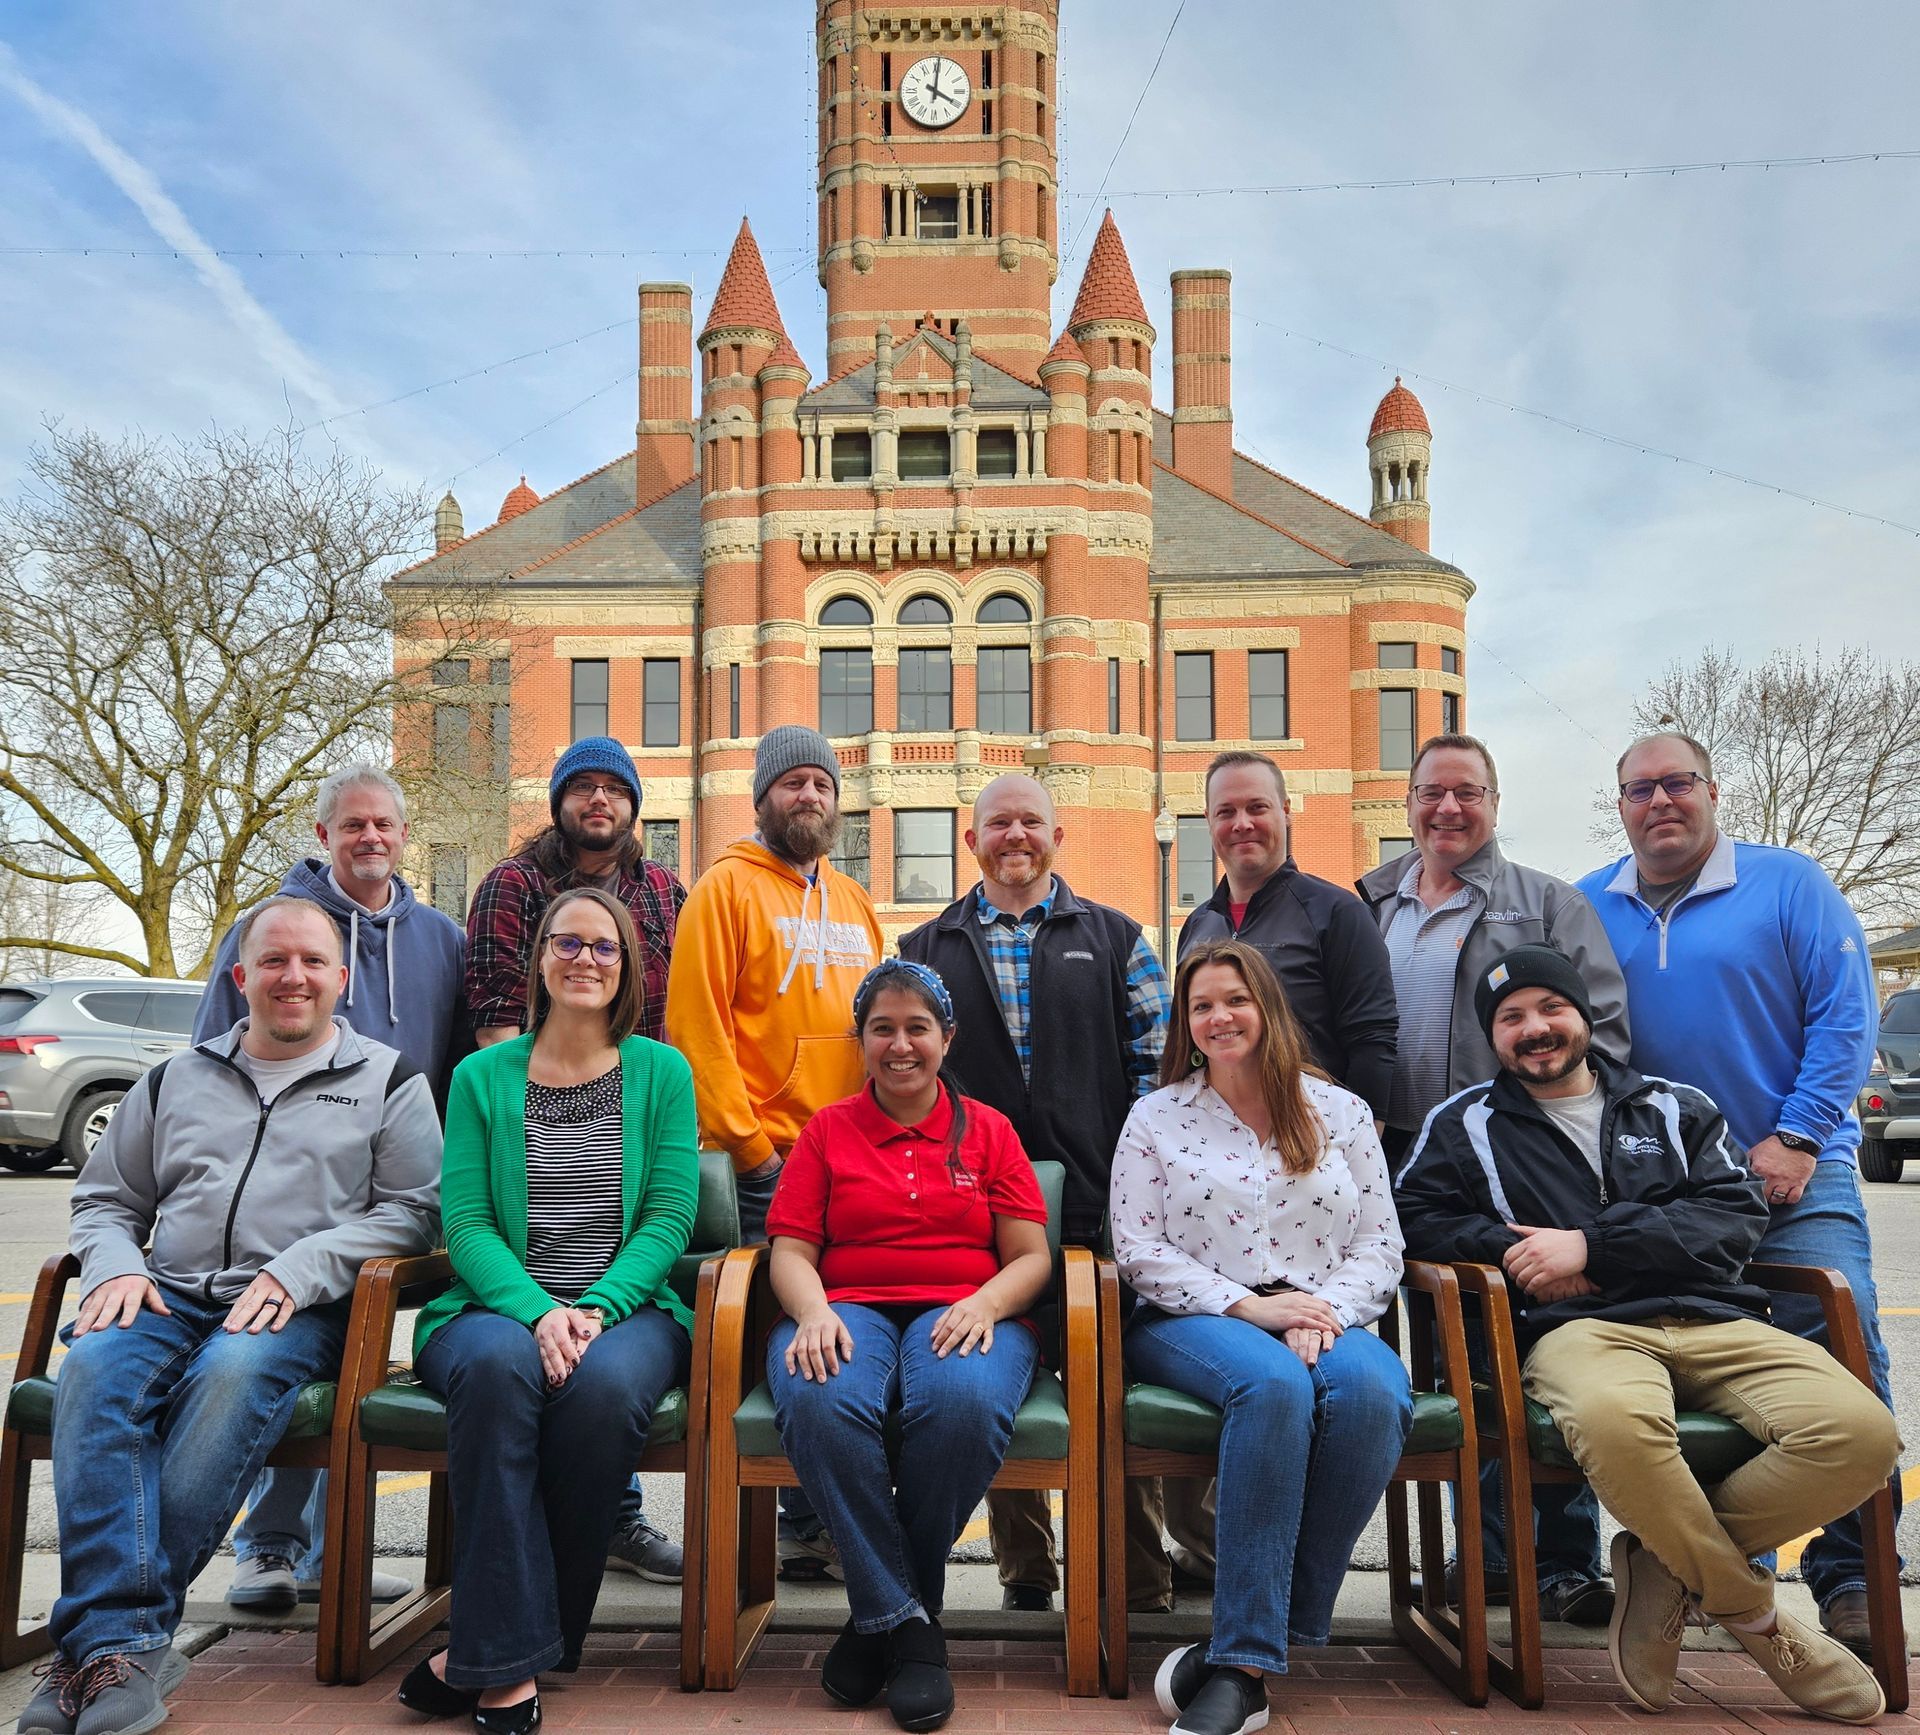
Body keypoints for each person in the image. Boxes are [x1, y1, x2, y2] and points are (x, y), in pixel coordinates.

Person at [1394, 944, 1900, 1725]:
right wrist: (1519, 1252)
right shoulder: (1463, 1124)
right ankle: (1759, 1619)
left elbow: (1734, 1216)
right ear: (1491, 1036)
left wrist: (1592, 1246)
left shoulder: (1676, 1105)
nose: (1535, 1029)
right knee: (1616, 1426)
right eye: (1511, 1018)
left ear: (1583, 1014)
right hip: (1579, 1333)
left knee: (1864, 1433)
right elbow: (1414, 1221)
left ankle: (1663, 1562)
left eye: (1549, 1008)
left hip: (1717, 1320)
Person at [24, 898, 440, 1735]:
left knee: (231, 1375)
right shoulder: (174, 1078)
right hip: (164, 1293)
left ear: (342, 979)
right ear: (241, 976)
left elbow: (416, 1213)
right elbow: (106, 1198)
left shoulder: (390, 1081)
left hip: (296, 1307)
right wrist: (114, 1266)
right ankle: (124, 1646)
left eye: (314, 962)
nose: (294, 977)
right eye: (275, 961)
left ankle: (100, 1648)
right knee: (96, 1372)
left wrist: (303, 1264)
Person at [1578, 731, 1900, 1656]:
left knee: (1848, 1356)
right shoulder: (1593, 902)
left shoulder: (1789, 883)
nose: (1659, 802)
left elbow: (1847, 1015)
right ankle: (1697, 1571)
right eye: (1639, 789)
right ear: (1623, 803)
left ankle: (1848, 1581)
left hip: (1796, 1175)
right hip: (1664, 1195)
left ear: (1713, 791)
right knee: (1668, 1376)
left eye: (1677, 783)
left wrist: (1797, 1136)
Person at [396, 887, 697, 1735]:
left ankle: (486, 1652)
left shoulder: (662, 1071)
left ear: (629, 966)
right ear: (538, 957)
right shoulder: (479, 1075)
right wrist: (537, 1312)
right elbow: (466, 1221)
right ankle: (513, 1661)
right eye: (569, 943)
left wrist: (594, 1307)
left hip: (628, 1311)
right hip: (494, 1310)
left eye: (606, 948)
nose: (586, 960)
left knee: (601, 1393)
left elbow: (669, 1215)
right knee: (496, 1373)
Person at [1356, 730, 1627, 1625]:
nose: (1449, 809)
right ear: (1409, 803)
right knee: (1434, 1365)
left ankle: (1559, 1561)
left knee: (1530, 1349)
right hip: (1392, 1156)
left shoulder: (1545, 903)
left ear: (1494, 802)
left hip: (1510, 1160)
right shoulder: (1371, 900)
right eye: (1432, 792)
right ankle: (1475, 1557)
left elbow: (1606, 1034)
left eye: (1467, 792)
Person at [1112, 939, 1412, 1735]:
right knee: (1273, 1386)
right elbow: (1139, 1249)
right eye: (1202, 1005)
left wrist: (1322, 1313)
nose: (1219, 1016)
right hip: (1194, 1318)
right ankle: (1246, 1668)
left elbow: (1381, 1245)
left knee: (1377, 1394)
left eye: (1235, 1000)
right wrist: (1252, 1309)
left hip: (1326, 1310)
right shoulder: (1157, 1114)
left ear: (1269, 1007)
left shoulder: (1338, 1110)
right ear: (1186, 1021)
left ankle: (1247, 1644)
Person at [195, 763, 467, 1616]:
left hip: (396, 1193)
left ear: (403, 834)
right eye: (353, 825)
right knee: (280, 1351)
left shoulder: (442, 939)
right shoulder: (271, 929)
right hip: (293, 1189)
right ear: (323, 836)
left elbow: (459, 1068)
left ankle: (328, 1555)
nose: (370, 838)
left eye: (384, 824)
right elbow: (214, 1058)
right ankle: (270, 1548)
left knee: (359, 1377)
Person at [900, 772, 1175, 1615]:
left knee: (1106, 1384)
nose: (1015, 835)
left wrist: (1138, 1193)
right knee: (994, 1376)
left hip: (1099, 1206)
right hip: (975, 1216)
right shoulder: (922, 948)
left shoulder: (1117, 937)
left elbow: (1158, 1080)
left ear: (1057, 835)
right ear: (972, 840)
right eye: (998, 823)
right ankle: (1026, 1572)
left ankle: (1138, 1578)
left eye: (1031, 821)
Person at [764, 959, 1051, 1733]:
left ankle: (877, 1619)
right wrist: (815, 1309)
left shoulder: (989, 1129)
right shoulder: (826, 1129)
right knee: (819, 1397)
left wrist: (987, 1299)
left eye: (916, 1027)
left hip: (965, 1307)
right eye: (881, 1028)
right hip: (847, 1304)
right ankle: (913, 1623)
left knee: (960, 1403)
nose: (899, 1044)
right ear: (860, 1040)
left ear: (946, 1037)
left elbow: (1031, 1254)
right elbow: (790, 1248)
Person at [1168, 750, 1401, 1589]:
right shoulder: (1200, 924)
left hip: (1315, 1187)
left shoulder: (1335, 913)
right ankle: (1234, 1568)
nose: (1241, 825)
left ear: (1286, 810)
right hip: (1223, 1221)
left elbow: (1374, 1039)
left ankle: (1280, 1586)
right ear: (1209, 826)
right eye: (1225, 811)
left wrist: (1343, 1149)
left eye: (1256, 807)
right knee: (1265, 1385)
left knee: (1351, 1391)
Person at [465, 733, 686, 1583]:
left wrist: (638, 1091)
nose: (599, 800)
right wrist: (549, 1070)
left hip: (637, 1107)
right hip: (542, 1103)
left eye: (614, 787)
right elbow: (496, 1013)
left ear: (634, 803)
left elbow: (675, 1016)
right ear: (558, 800)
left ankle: (600, 1529)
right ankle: (542, 1571)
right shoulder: (513, 885)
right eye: (582, 786)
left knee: (596, 1378)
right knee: (505, 1365)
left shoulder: (666, 890)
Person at [666, 723, 882, 1581]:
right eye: (793, 782)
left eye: (822, 784)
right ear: (761, 798)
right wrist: (752, 1150)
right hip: (767, 1162)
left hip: (848, 1159)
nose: (810, 796)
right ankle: (763, 1534)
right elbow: (695, 1032)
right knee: (768, 1339)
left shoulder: (858, 902)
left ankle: (816, 1523)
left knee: (837, 1335)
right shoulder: (722, 891)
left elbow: (881, 1033)